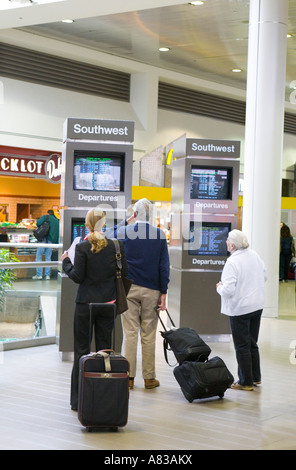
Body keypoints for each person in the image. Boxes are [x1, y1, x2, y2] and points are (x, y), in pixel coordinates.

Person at [61, 207, 128, 411]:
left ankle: (77, 401)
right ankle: (102, 396)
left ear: (87, 224)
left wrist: (65, 262)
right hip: (108, 305)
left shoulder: (82, 247)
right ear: (104, 224)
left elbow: (77, 277)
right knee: (105, 350)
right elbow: (124, 272)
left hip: (86, 305)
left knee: (81, 350)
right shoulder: (116, 246)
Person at [110, 198, 170, 390]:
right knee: (149, 333)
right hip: (152, 288)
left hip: (128, 289)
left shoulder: (124, 232)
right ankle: (149, 378)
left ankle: (128, 378)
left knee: (129, 333)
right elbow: (164, 267)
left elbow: (105, 235)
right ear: (152, 216)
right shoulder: (159, 235)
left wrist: (126, 221)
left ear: (134, 214)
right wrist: (164, 292)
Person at [216, 229, 267, 391]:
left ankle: (245, 382)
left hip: (240, 309)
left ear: (232, 244)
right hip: (256, 306)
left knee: (241, 345)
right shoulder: (255, 255)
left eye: (228, 240)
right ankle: (255, 377)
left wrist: (219, 287)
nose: (226, 243)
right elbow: (264, 276)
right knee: (252, 343)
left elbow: (228, 290)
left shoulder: (232, 262)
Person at [32, 209, 59, 280]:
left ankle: (39, 275)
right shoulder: (57, 221)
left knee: (39, 257)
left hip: (42, 240)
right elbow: (58, 234)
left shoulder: (45, 217)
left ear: (48, 213)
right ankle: (47, 275)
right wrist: (56, 244)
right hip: (51, 242)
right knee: (48, 258)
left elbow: (38, 223)